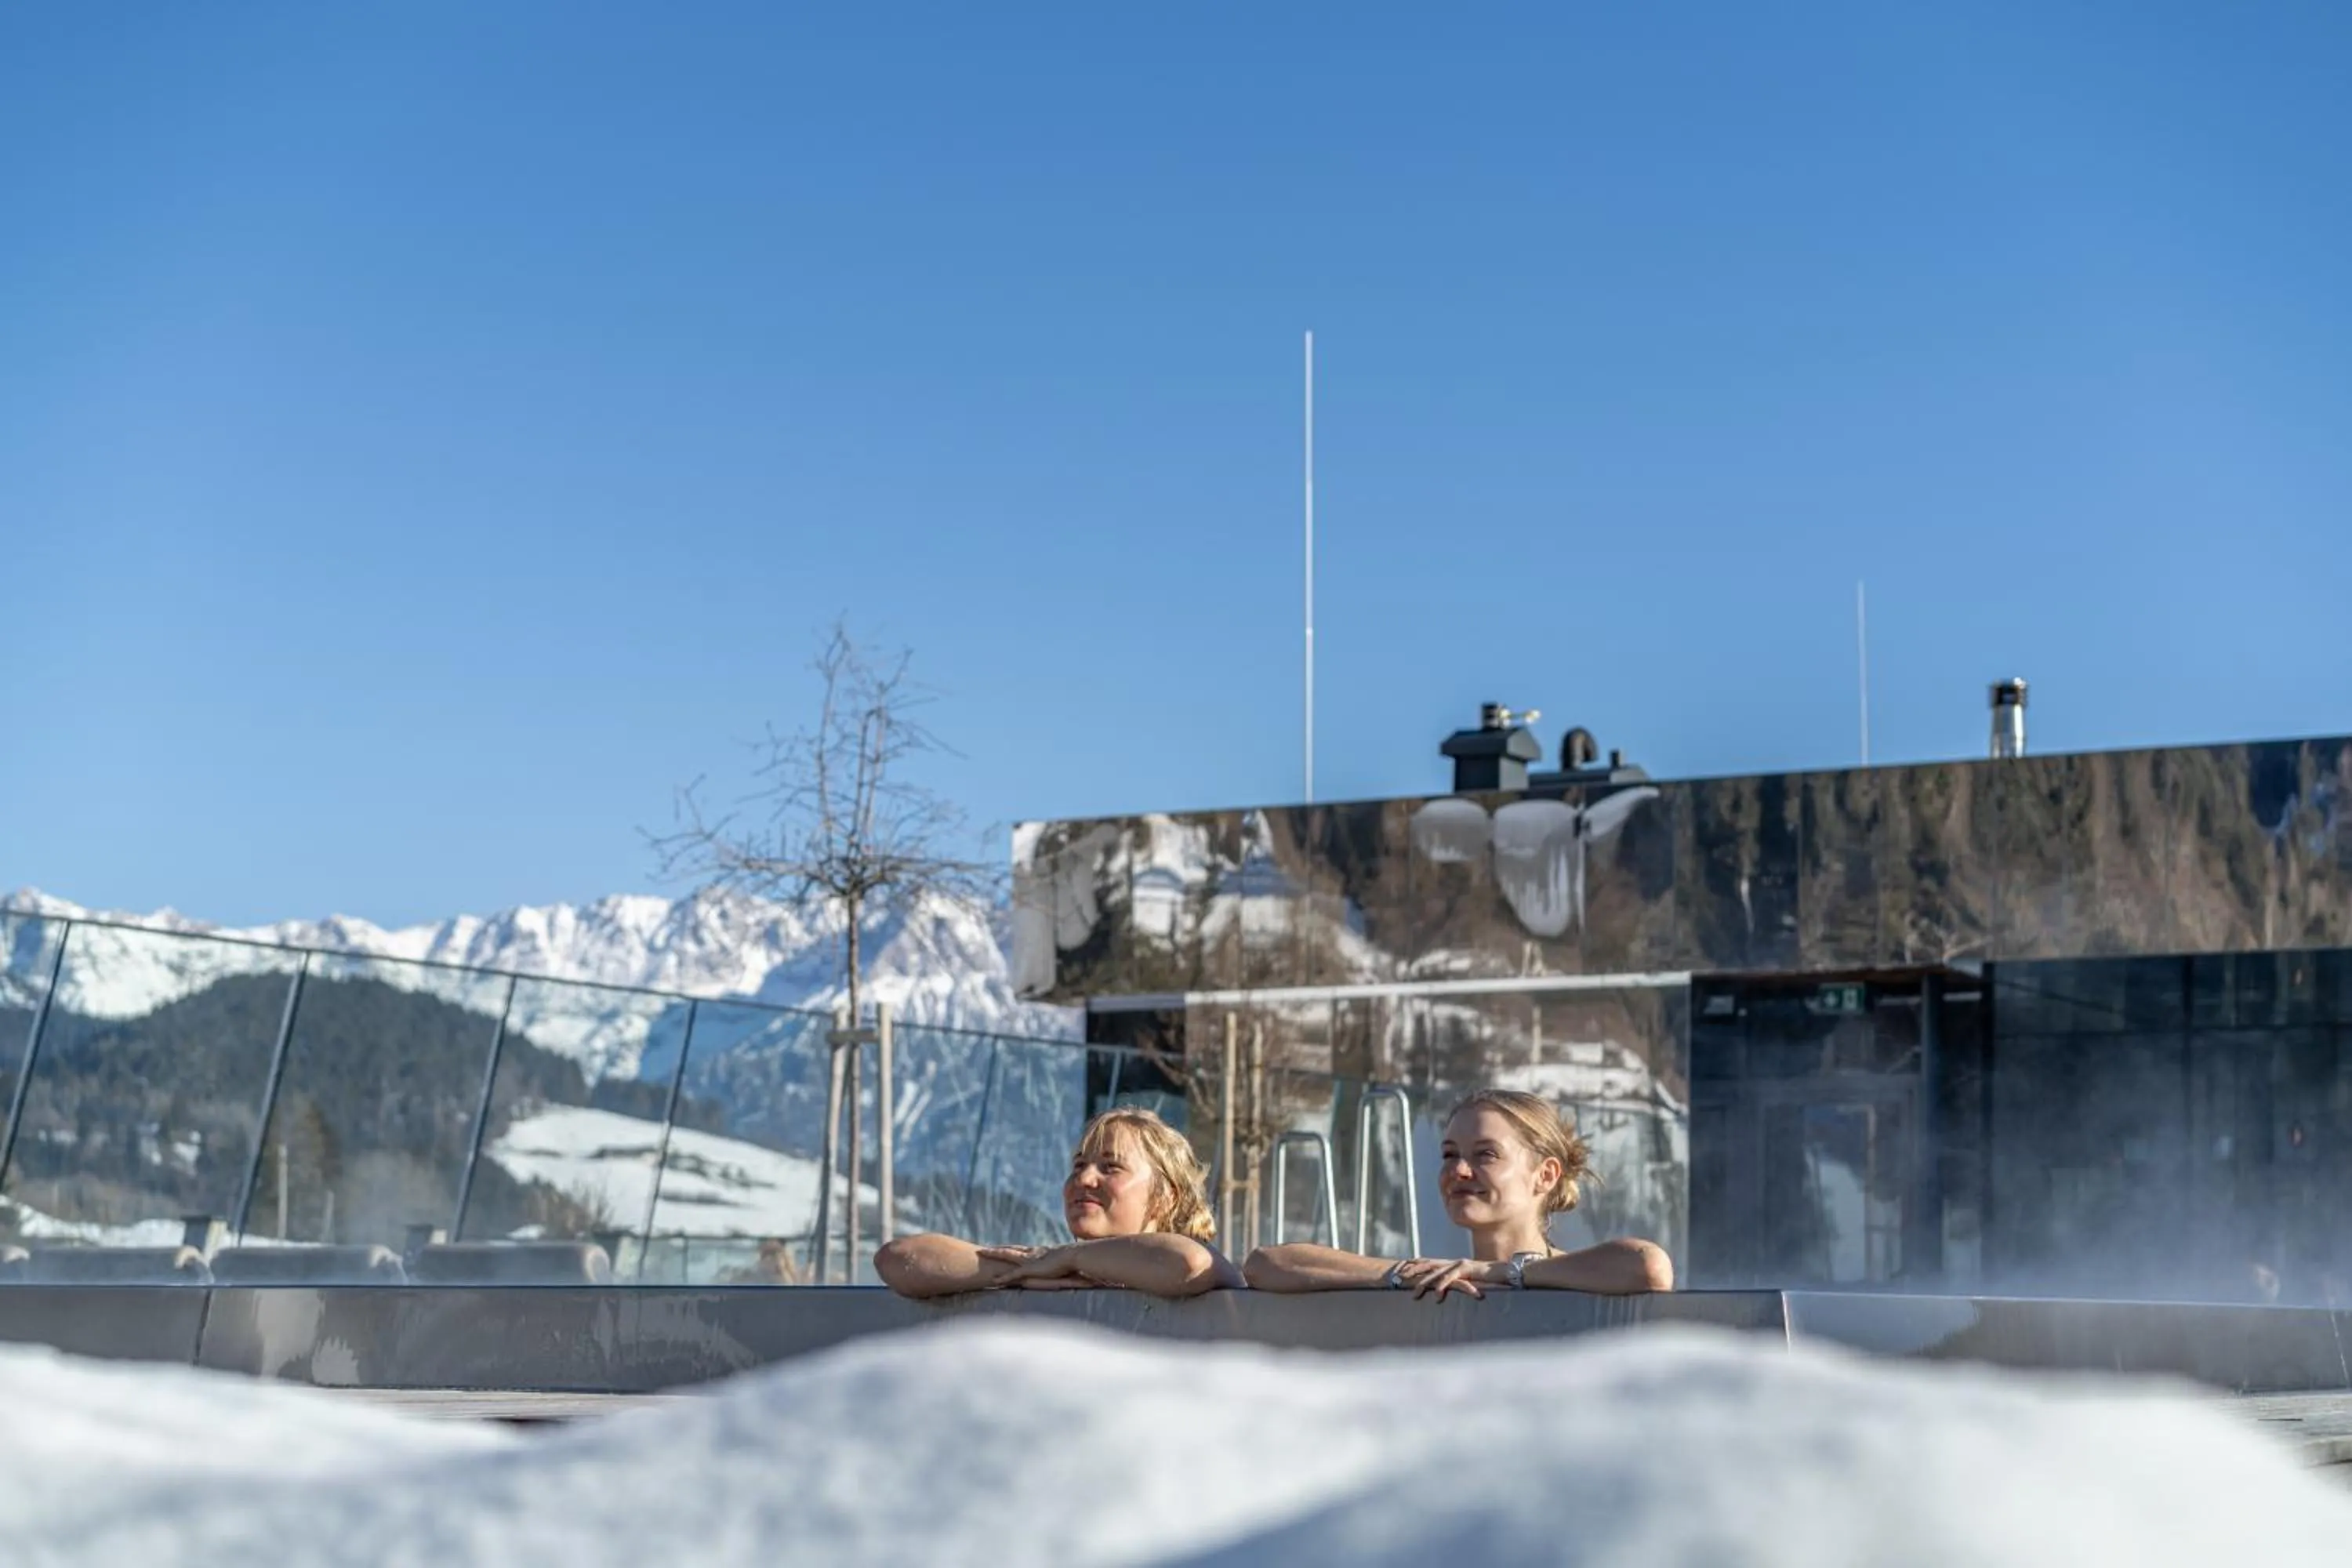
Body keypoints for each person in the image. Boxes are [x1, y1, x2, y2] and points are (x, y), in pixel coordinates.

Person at [1243, 1088, 1674, 1298]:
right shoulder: (1436, 1279)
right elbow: (1265, 1266)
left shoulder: (1583, 1275)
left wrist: (1503, 1272)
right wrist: (1397, 1273)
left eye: (1485, 1154)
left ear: (1544, 1176)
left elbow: (1648, 1267)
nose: (1459, 1170)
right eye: (1450, 1155)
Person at [877, 1105, 1243, 1299]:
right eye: (1079, 1165)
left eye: (1111, 1167)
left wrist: (1069, 1258)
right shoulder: (1046, 1270)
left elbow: (1189, 1264)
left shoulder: (1210, 1271)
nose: (1084, 1179)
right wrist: (1025, 1270)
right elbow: (898, 1259)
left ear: (1166, 1196)